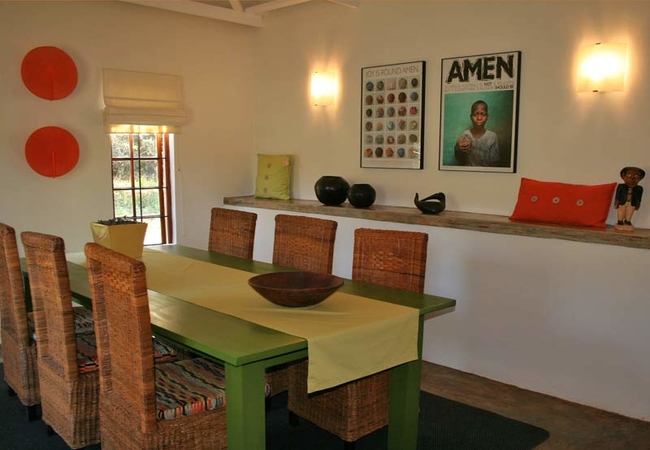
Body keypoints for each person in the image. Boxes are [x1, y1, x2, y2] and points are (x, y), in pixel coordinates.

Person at [454, 100, 500, 166]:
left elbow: (494, 163)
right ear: (471, 117)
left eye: (483, 114)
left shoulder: (492, 136)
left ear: (487, 117)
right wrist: (457, 147)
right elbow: (459, 158)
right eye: (475, 114)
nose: (479, 118)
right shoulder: (466, 135)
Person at [614, 166, 645, 230]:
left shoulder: (639, 188)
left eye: (636, 176)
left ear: (640, 178)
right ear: (623, 176)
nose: (632, 178)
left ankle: (627, 221)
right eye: (629, 175)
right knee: (621, 211)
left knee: (630, 212)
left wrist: (638, 203)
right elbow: (618, 195)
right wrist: (616, 201)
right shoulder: (621, 186)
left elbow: (639, 197)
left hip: (632, 202)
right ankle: (620, 221)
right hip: (622, 202)